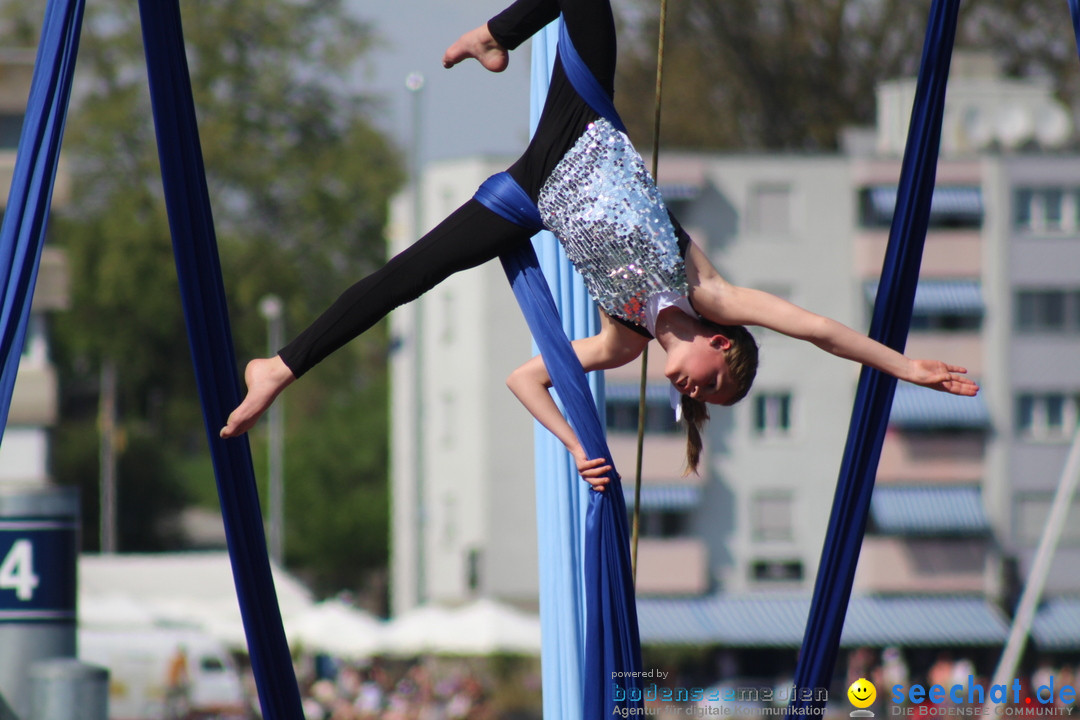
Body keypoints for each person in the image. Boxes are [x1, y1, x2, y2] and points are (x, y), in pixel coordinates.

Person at [220, 0, 978, 487]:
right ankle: (495, 33)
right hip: (581, 120)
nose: (695, 393)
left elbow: (524, 379)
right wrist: (906, 365)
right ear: (722, 343)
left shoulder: (623, 345)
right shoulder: (707, 289)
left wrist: (576, 445)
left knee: (405, 277)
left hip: (530, 198)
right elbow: (820, 331)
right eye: (714, 383)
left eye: (702, 400)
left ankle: (278, 368)